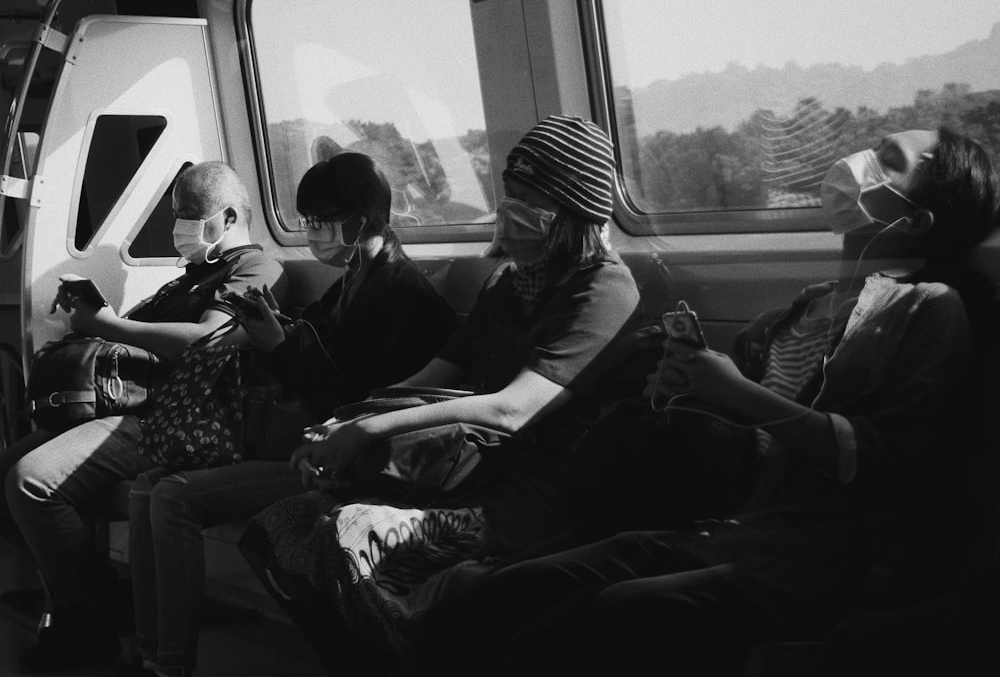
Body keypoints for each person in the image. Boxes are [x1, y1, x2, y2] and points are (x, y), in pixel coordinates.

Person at [395, 127, 1000, 677]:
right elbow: (752, 449)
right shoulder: (798, 310)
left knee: (572, 630)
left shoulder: (928, 309)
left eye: (887, 161)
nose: (857, 162)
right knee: (495, 599)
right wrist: (690, 388)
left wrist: (734, 391)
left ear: (917, 220)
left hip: (796, 559)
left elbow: (876, 457)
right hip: (719, 525)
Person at [239, 114, 645, 672]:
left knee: (346, 536)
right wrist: (341, 424)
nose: (510, 209)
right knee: (276, 531)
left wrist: (368, 429)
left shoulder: (603, 288)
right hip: (471, 471)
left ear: (569, 207)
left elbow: (514, 409)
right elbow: (434, 374)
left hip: (536, 498)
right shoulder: (508, 284)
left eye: (529, 196)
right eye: (510, 194)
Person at [126, 151, 457, 677]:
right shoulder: (353, 282)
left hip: (351, 455)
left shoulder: (400, 297)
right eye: (306, 222)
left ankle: (171, 664)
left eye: (321, 221)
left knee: (173, 496)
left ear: (361, 220)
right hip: (311, 438)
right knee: (146, 484)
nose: (312, 233)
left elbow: (354, 400)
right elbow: (316, 348)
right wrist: (274, 328)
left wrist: (278, 346)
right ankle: (147, 650)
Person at [1, 161, 288, 672]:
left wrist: (108, 324)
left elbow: (205, 341)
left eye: (189, 216)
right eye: (176, 215)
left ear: (224, 218)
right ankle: (94, 599)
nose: (179, 229)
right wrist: (97, 317)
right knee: (7, 466)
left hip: (173, 417)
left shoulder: (255, 270)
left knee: (32, 481)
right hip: (132, 404)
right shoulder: (191, 277)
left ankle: (87, 616)